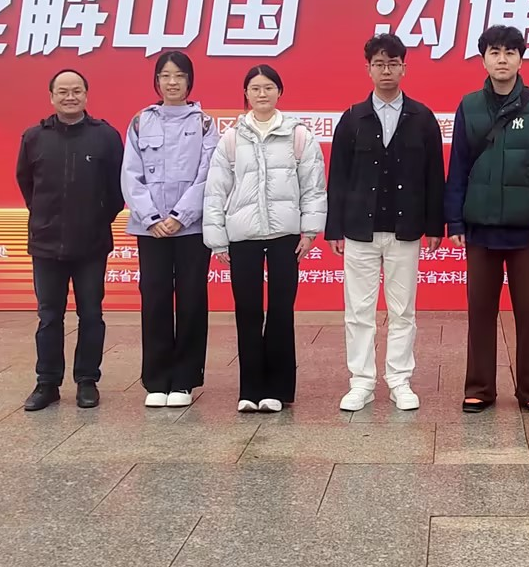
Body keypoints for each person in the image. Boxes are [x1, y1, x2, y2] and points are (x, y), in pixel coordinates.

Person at [445, 25, 529, 416]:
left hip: (527, 231)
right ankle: (480, 388)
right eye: (495, 52)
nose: (502, 59)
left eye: (510, 52)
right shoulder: (469, 106)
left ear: (520, 59)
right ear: (483, 59)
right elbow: (458, 166)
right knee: (480, 311)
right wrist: (455, 221)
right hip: (480, 230)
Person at [326, 33, 445, 412]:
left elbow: (434, 176)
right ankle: (361, 382)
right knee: (359, 311)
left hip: (405, 230)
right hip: (359, 230)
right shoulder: (352, 118)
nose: (386, 70)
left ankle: (399, 380)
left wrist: (435, 225)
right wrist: (334, 228)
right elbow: (338, 177)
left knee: (402, 310)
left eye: (393, 64)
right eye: (379, 64)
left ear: (404, 68)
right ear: (368, 69)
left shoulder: (422, 118)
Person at [203, 64, 327, 413]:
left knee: (281, 311)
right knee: (247, 311)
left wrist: (310, 231)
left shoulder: (298, 135)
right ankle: (250, 390)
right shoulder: (231, 138)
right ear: (246, 93)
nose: (262, 93)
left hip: (285, 236)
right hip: (243, 237)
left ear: (279, 92)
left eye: (269, 87)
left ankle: (278, 390)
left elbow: (314, 187)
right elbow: (215, 191)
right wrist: (218, 239)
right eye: (255, 88)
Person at [16, 69, 126, 411]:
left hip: (91, 244)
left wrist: (97, 218)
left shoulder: (105, 136)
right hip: (46, 243)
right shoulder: (34, 137)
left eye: (76, 91)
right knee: (49, 316)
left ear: (86, 95)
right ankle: (47, 383)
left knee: (91, 314)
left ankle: (87, 380)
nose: (70, 97)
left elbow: (117, 189)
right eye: (62, 91)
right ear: (51, 96)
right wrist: (45, 217)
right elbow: (26, 184)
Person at [122, 51, 218, 408]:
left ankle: (184, 380)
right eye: (165, 75)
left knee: (192, 300)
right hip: (151, 230)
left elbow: (208, 175)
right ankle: (157, 380)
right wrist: (150, 217)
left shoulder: (205, 124)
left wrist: (180, 215)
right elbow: (130, 174)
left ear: (189, 81)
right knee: (155, 299)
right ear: (157, 81)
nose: (172, 82)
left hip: (190, 229)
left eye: (179, 75)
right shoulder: (140, 122)